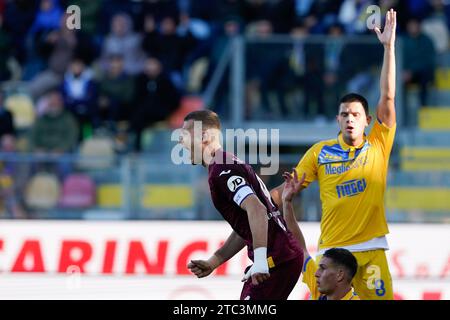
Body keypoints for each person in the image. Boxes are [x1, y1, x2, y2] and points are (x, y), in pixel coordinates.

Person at [270, 9, 398, 300]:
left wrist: (389, 49)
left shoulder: (378, 143)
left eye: (355, 114)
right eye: (344, 115)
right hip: (331, 252)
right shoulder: (320, 152)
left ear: (367, 120)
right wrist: (259, 203)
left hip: (370, 250)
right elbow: (288, 190)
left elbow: (388, 97)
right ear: (337, 120)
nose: (350, 119)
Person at [182, 110, 303, 300]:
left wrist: (262, 260)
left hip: (277, 259)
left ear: (204, 136)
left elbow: (257, 209)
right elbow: (250, 221)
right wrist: (215, 261)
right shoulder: (225, 162)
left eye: (185, 135)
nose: (181, 142)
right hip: (281, 256)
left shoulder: (222, 168)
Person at [282, 169, 359, 300]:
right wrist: (286, 202)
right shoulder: (320, 292)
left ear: (340, 275)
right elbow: (300, 248)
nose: (316, 274)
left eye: (322, 268)